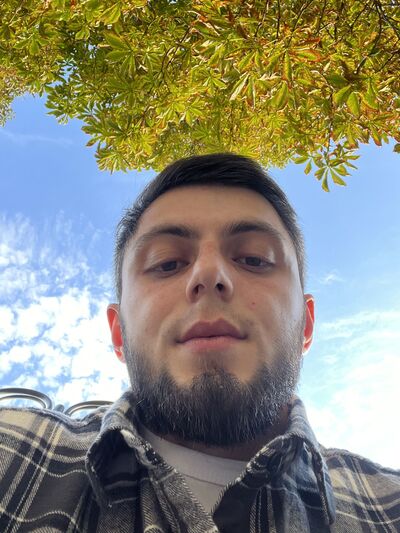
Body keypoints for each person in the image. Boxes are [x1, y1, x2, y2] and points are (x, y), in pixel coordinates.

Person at [0, 153, 399, 532]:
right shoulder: (12, 452)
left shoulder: (389, 506)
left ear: (306, 325)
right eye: (167, 263)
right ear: (119, 331)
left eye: (254, 259)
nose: (209, 274)